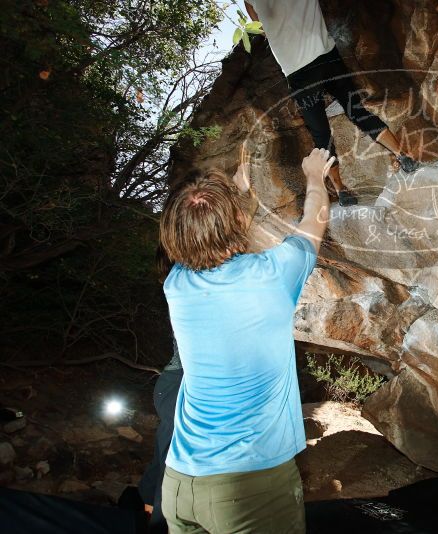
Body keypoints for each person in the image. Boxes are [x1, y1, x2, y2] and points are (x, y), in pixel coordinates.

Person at [157, 147, 334, 533]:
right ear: (236, 220)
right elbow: (314, 220)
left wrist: (235, 192)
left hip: (178, 483)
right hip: (247, 488)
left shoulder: (177, 283)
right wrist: (315, 175)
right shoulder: (271, 275)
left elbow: (208, 238)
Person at [137, 146, 257, 533]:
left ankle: (146, 501)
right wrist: (238, 196)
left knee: (168, 455)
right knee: (175, 466)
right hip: (183, 386)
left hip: (177, 382)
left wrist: (237, 193)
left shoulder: (180, 273)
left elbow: (221, 237)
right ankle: (154, 514)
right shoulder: (188, 275)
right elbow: (230, 241)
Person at [244, 0, 420, 207]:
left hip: (298, 73)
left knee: (321, 134)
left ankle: (341, 190)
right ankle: (402, 155)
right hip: (326, 57)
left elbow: (257, 22)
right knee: (356, 111)